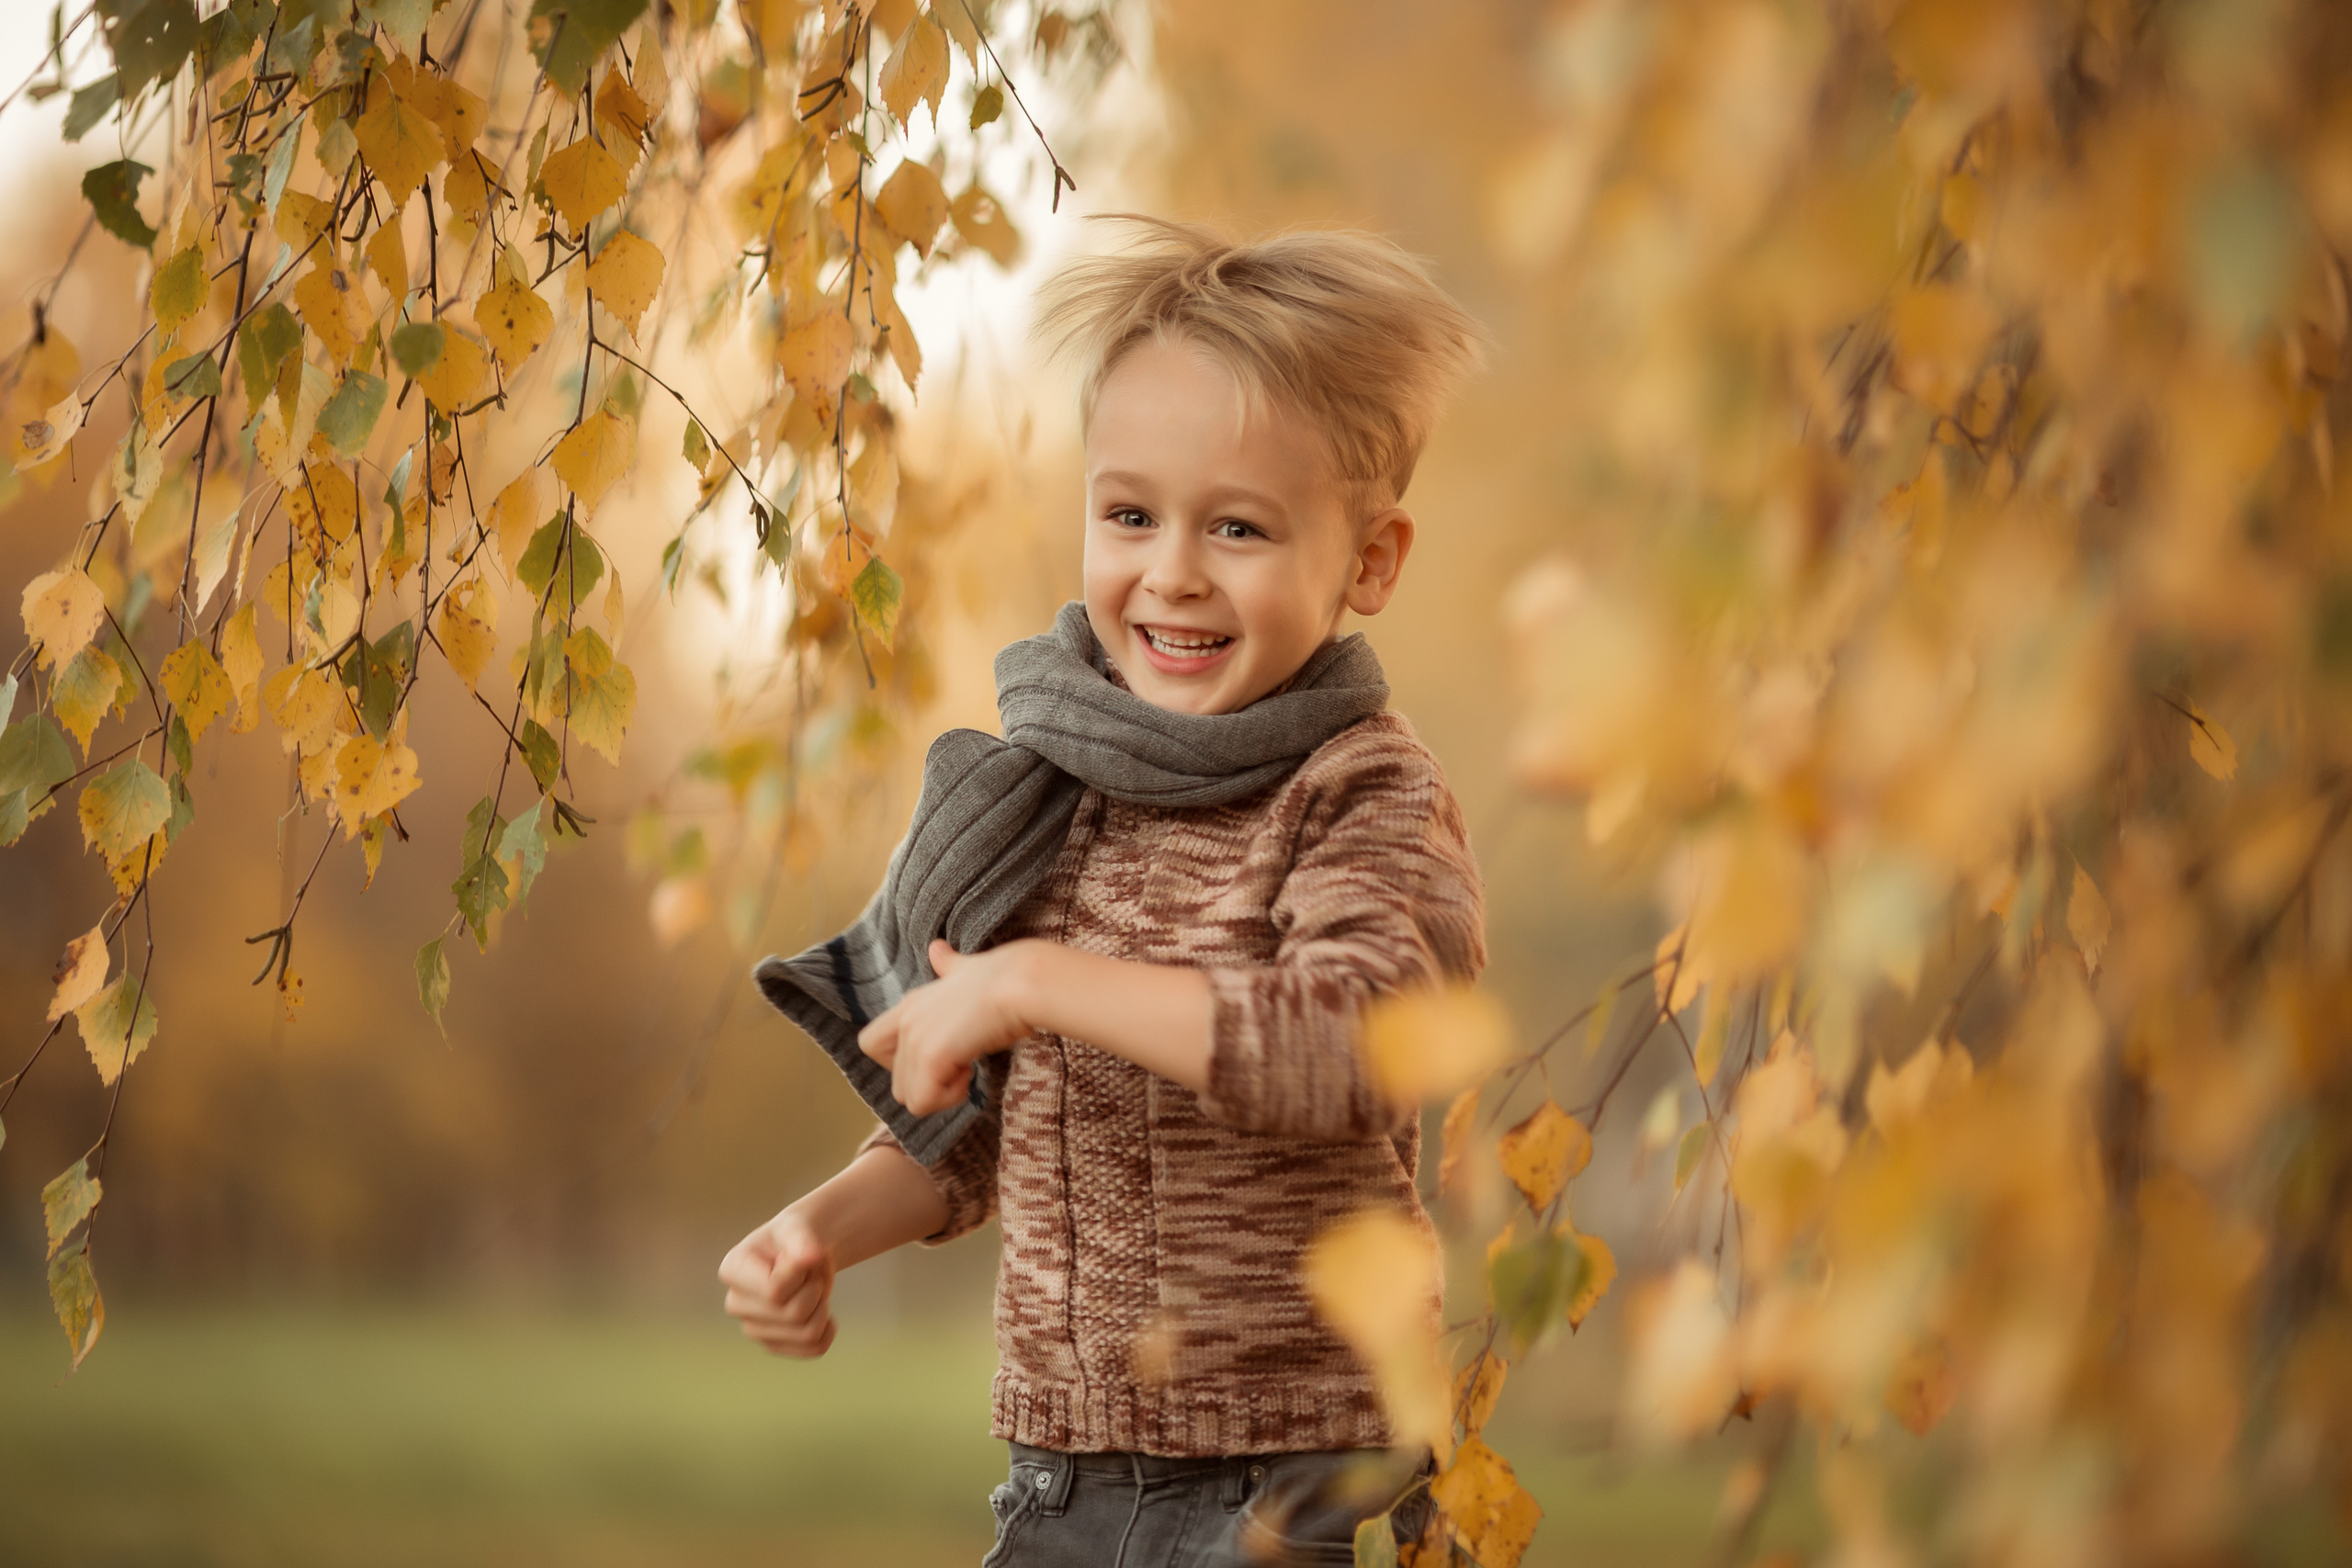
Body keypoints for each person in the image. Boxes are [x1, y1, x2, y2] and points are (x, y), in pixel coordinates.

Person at [720, 215, 1486, 1567]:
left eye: (1238, 527)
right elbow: (986, 1131)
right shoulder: (1057, 792)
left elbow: (1358, 1044)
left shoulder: (1363, 792)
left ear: (1369, 560)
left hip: (1292, 1480)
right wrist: (821, 1229)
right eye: (1130, 515)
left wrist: (1032, 981)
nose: (1172, 571)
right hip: (1065, 1484)